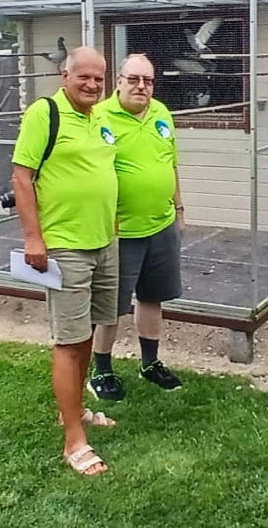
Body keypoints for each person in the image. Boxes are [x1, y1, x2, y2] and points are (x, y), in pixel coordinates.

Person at [11, 46, 119, 477]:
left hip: (104, 243)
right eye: (84, 77)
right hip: (65, 246)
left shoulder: (100, 118)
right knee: (68, 341)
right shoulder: (45, 114)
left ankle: (72, 410)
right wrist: (33, 237)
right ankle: (74, 439)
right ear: (65, 75)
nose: (92, 85)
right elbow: (22, 177)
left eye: (98, 78)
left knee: (88, 331)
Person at [87, 54, 185, 401]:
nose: (141, 86)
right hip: (120, 232)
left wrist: (179, 208)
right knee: (111, 306)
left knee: (152, 297)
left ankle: (150, 363)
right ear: (119, 81)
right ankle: (102, 370)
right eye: (134, 79)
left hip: (161, 224)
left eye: (148, 80)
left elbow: (171, 164)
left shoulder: (161, 113)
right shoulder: (99, 116)